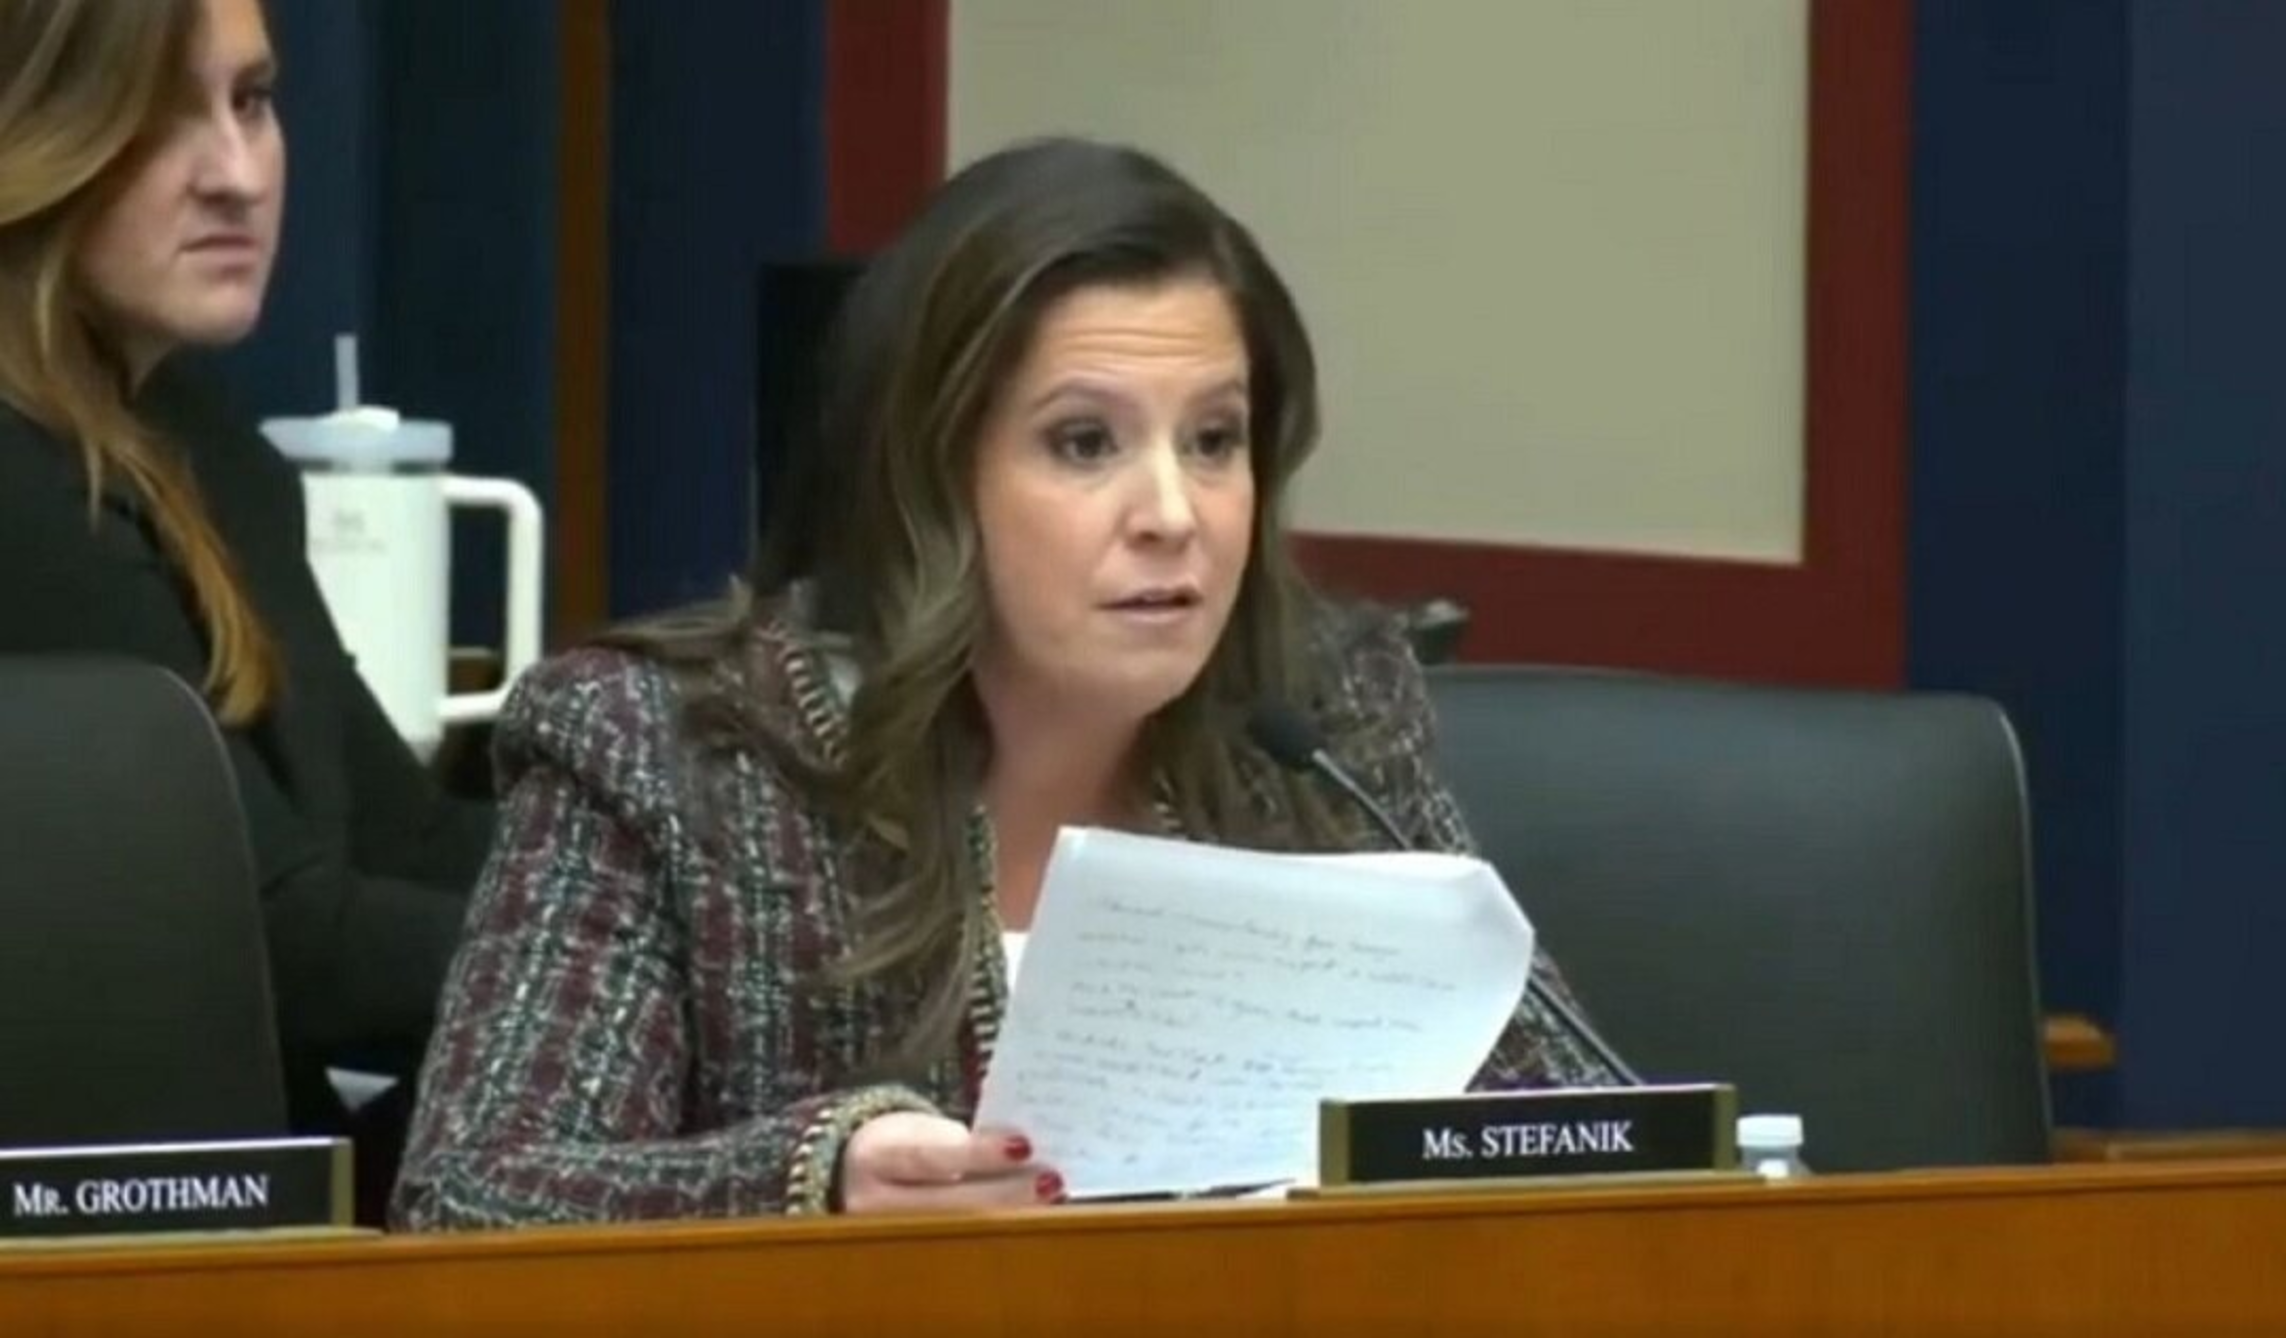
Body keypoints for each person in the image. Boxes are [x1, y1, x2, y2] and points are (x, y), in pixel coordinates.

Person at [392, 137, 1622, 1230]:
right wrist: (815, 1180)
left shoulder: (1319, 721)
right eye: (1085, 443)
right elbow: (474, 1198)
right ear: (932, 482)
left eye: (1214, 440)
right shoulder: (669, 756)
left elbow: (1589, 1143)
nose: (1174, 513)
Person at [0, 0, 493, 1164]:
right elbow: (273, 941)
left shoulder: (206, 449)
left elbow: (405, 837)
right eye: (162, 116)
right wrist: (633, 957)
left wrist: (693, 876)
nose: (238, 174)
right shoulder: (21, 488)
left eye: (254, 102)